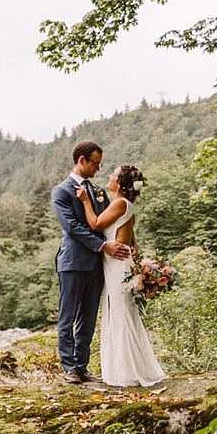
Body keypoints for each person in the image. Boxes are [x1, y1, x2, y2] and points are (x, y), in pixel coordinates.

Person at [76, 164, 166, 387]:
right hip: (119, 263)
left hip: (117, 266)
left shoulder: (118, 203)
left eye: (113, 174)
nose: (109, 175)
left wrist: (86, 201)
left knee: (119, 313)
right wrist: (133, 245)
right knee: (122, 312)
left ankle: (125, 372)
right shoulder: (127, 205)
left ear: (121, 183)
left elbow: (96, 224)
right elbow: (128, 231)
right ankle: (126, 369)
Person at [51, 141, 131, 384]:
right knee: (68, 317)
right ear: (82, 160)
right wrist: (102, 246)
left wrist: (122, 244)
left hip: (98, 264)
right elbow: (72, 227)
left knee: (88, 316)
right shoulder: (61, 191)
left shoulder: (98, 191)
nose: (98, 168)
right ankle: (69, 368)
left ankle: (82, 366)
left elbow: (105, 223)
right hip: (73, 262)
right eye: (95, 163)